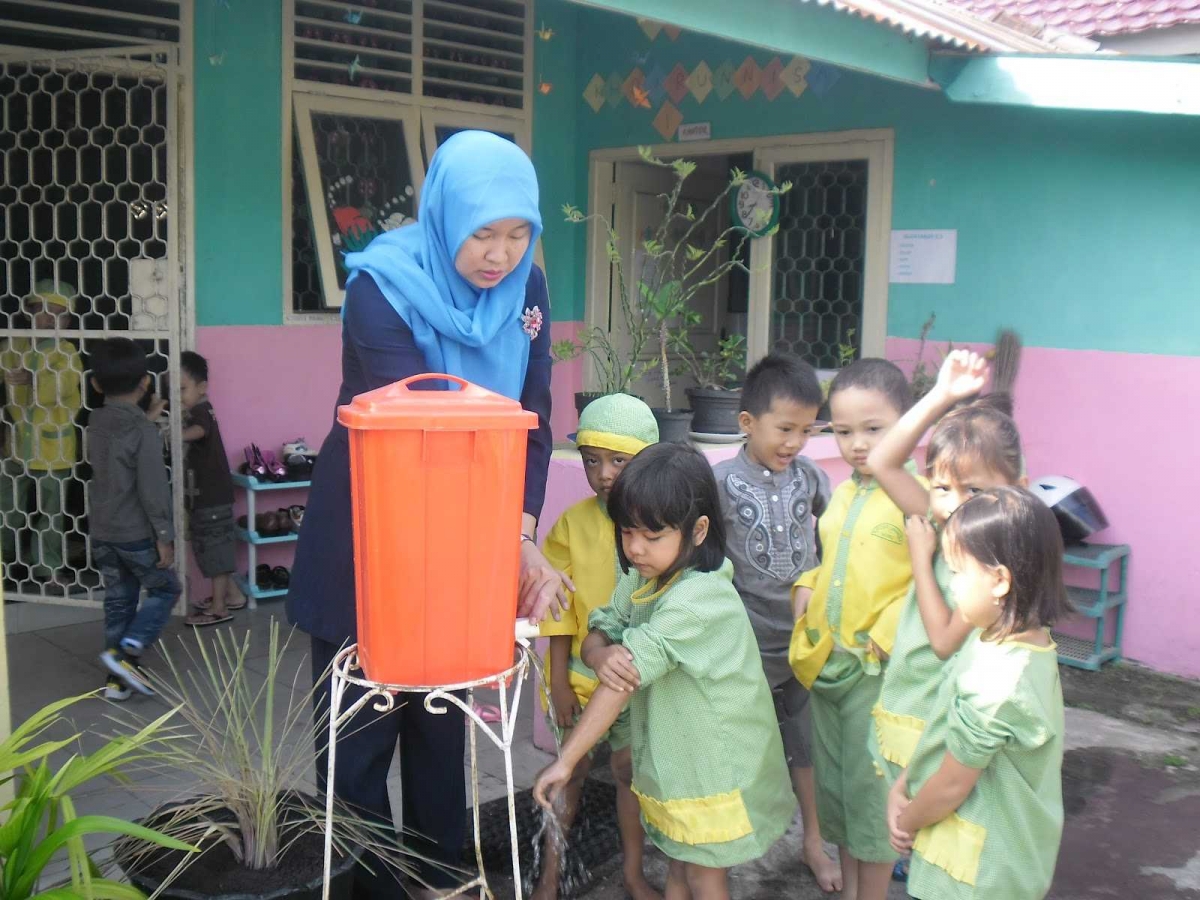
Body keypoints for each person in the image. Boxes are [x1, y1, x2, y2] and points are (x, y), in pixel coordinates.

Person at [285, 131, 569, 900]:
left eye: (518, 233)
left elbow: (532, 416)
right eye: (483, 232)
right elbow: (428, 437)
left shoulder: (528, 288)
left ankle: (447, 887)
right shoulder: (383, 286)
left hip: (467, 548)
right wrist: (495, 548)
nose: (499, 255)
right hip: (372, 547)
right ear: (444, 215)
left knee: (446, 743)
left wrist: (518, 537)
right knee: (360, 752)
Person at [534, 443, 796, 900]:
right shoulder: (646, 576)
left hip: (714, 769)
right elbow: (600, 630)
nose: (634, 548)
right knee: (679, 863)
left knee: (702, 875)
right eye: (627, 532)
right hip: (679, 763)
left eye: (651, 537)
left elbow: (621, 681)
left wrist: (567, 759)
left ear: (698, 530)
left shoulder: (698, 600)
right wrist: (597, 656)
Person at [888, 487, 1067, 900]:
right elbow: (945, 734)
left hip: (976, 873)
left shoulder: (1000, 679)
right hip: (987, 858)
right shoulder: (1016, 643)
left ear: (1000, 580)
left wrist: (907, 820)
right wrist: (904, 783)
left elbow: (952, 784)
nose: (951, 585)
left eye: (956, 571)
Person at [787, 359, 917, 900]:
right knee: (837, 790)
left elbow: (932, 579)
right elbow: (833, 561)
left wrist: (887, 632)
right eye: (842, 432)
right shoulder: (842, 493)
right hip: (828, 665)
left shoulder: (915, 496)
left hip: (878, 671)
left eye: (873, 429)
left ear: (908, 423)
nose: (857, 445)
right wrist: (805, 590)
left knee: (873, 794)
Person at [869, 344, 1026, 791]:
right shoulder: (944, 519)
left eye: (974, 488)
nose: (956, 503)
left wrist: (921, 559)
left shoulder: (995, 563)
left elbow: (943, 642)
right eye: (941, 486)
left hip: (943, 725)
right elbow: (883, 461)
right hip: (908, 707)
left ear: (1016, 489)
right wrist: (940, 395)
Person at [710, 353, 840, 892]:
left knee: (807, 747)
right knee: (745, 748)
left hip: (806, 642)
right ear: (747, 423)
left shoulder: (810, 476)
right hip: (749, 646)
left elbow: (832, 538)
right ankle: (732, 844)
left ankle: (813, 840)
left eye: (806, 431)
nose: (795, 443)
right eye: (785, 429)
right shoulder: (717, 482)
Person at [534, 392, 659, 900]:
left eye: (618, 460)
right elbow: (559, 612)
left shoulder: (659, 524)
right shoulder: (572, 524)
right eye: (592, 460)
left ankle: (632, 875)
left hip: (638, 682)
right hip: (583, 684)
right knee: (570, 775)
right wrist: (559, 680)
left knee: (630, 778)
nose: (604, 473)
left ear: (646, 460)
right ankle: (547, 879)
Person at [88, 338, 180, 701]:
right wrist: (164, 535)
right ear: (145, 383)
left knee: (118, 600)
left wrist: (146, 420)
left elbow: (118, 450)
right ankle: (130, 647)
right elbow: (153, 488)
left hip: (103, 531)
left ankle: (116, 682)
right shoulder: (143, 432)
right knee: (166, 589)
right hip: (136, 533)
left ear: (95, 384)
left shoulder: (96, 421)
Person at [0, 281, 83, 592]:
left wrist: (31, 378)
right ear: (28, 313)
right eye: (41, 311)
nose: (47, 319)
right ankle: (5, 562)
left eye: (57, 313)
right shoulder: (13, 345)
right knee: (8, 508)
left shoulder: (67, 350)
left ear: (69, 321)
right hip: (16, 442)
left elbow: (61, 389)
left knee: (52, 512)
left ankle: (48, 569)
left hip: (54, 444)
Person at [176, 350, 244, 626]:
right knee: (212, 547)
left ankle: (218, 608)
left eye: (182, 388)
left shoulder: (201, 410)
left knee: (216, 550)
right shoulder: (195, 409)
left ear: (201, 387)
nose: (177, 395)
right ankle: (233, 595)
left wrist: (173, 433)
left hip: (211, 496)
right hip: (206, 496)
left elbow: (200, 432)